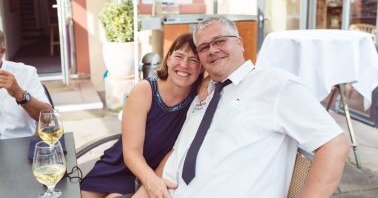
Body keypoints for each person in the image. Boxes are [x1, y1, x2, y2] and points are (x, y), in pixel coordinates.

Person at [156, 16, 348, 197]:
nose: (212, 50)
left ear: (239, 42)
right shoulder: (203, 96)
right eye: (204, 47)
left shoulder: (276, 85)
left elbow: (333, 144)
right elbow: (176, 155)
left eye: (220, 41)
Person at [81, 33, 204, 198]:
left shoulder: (199, 99)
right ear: (168, 60)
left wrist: (151, 181)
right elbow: (131, 152)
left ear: (202, 67)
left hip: (152, 173)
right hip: (120, 165)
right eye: (179, 56)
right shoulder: (145, 90)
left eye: (194, 60)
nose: (184, 64)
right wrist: (151, 180)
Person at [0, 30, 51, 139]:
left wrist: (19, 94)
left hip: (18, 146)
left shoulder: (25, 73)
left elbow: (47, 118)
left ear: (1, 51)